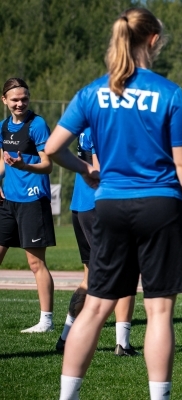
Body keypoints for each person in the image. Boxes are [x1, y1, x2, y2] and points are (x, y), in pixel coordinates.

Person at [44, 8, 182, 400]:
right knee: (159, 312)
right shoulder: (169, 92)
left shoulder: (92, 92)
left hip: (110, 205)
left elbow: (51, 150)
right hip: (160, 205)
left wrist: (86, 170)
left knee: (96, 307)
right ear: (152, 39)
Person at [55, 128, 137, 356]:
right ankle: (123, 344)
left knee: (89, 278)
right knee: (125, 273)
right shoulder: (106, 124)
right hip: (99, 207)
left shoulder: (87, 124)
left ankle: (65, 338)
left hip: (80, 205)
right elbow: (101, 170)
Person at [0, 78, 56, 333]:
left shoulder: (38, 124)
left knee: (35, 264)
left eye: (24, 99)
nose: (20, 103)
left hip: (33, 201)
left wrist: (25, 166)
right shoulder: (2, 127)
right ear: (5, 101)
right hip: (8, 202)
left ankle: (46, 320)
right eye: (15, 99)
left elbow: (48, 164)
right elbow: (2, 162)